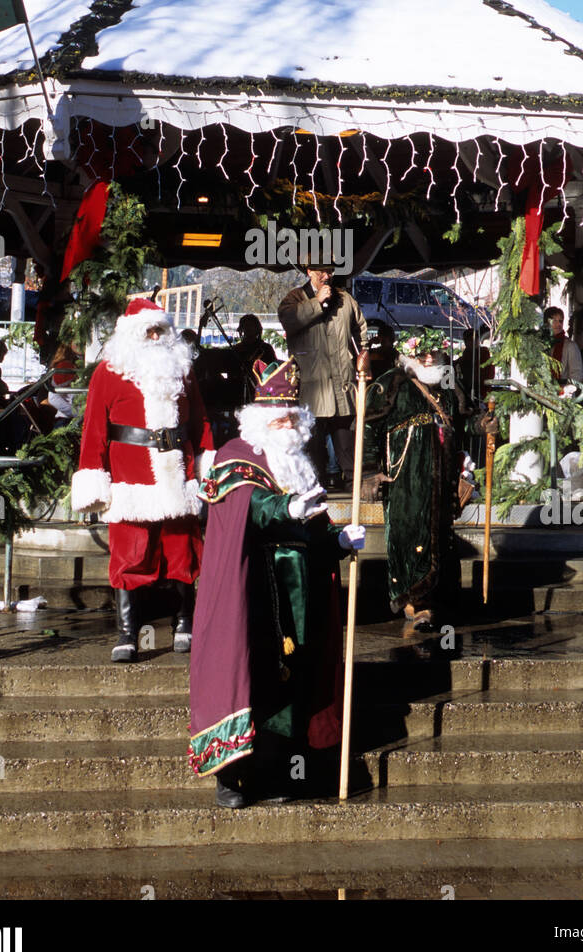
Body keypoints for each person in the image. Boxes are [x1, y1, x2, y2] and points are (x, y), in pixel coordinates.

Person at [189, 358, 366, 808]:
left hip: (301, 590)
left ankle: (281, 771)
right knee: (253, 677)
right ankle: (233, 778)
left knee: (295, 683)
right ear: (259, 418)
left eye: (292, 415)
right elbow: (247, 506)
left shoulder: (299, 465)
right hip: (255, 590)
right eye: (278, 416)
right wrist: (283, 510)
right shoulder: (235, 455)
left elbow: (313, 522)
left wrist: (338, 538)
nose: (286, 423)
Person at [71, 298, 214, 659]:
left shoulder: (183, 370)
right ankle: (128, 632)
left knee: (182, 551)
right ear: (131, 334)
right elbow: (94, 430)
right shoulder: (108, 371)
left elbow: (200, 422)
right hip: (130, 477)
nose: (154, 336)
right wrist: (93, 477)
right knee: (130, 554)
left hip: (177, 474)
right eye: (147, 330)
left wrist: (207, 468)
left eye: (160, 330)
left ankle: (185, 621)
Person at [363, 333, 498, 632]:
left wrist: (482, 425)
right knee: (408, 534)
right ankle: (415, 602)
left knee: (439, 534)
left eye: (434, 353)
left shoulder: (450, 386)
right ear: (410, 354)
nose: (428, 359)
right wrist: (370, 472)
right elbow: (368, 426)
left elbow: (464, 424)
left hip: (441, 478)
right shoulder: (392, 382)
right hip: (404, 482)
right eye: (422, 353)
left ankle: (439, 598)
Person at [278, 268, 369, 486]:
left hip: (343, 385)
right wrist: (316, 302)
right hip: (312, 388)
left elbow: (361, 332)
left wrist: (363, 357)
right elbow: (288, 320)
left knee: (347, 443)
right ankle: (315, 493)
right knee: (313, 447)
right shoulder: (295, 298)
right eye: (321, 272)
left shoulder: (345, 299)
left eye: (329, 271)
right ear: (309, 272)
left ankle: (352, 487)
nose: (327, 276)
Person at [235, 314, 276, 402]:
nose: (248, 329)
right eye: (246, 326)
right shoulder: (236, 349)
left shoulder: (266, 349)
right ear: (242, 329)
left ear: (257, 329)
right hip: (238, 390)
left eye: (251, 326)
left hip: (261, 390)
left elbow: (274, 370)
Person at [544, 306, 583, 388]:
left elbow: (576, 374)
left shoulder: (570, 346)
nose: (559, 324)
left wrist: (566, 389)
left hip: (563, 393)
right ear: (546, 322)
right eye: (554, 320)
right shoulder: (540, 343)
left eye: (560, 321)